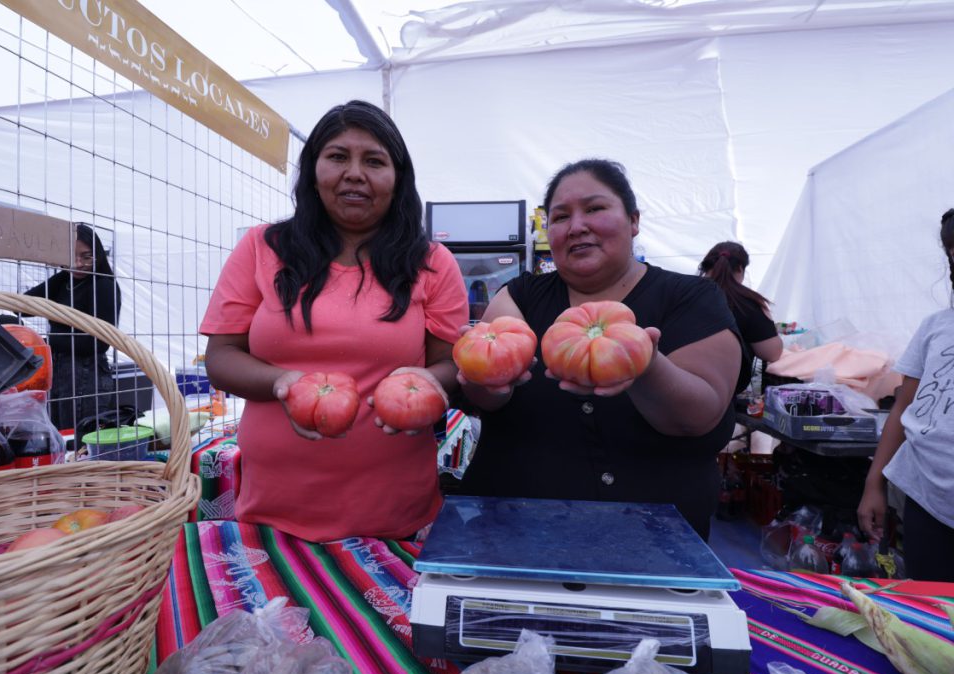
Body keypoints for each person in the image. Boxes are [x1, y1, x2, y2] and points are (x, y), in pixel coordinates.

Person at [200, 100, 468, 543]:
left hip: (394, 512)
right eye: (338, 157)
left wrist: (423, 385)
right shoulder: (260, 247)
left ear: (398, 178)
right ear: (313, 170)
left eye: (375, 161)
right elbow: (221, 357)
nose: (355, 173)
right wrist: (282, 383)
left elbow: (450, 365)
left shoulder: (432, 262)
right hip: (273, 508)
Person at [458, 159, 742, 540]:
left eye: (595, 209)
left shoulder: (692, 298)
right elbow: (489, 394)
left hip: (657, 540)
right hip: (518, 531)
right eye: (560, 217)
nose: (577, 227)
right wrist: (484, 381)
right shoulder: (519, 296)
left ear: (634, 220)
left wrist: (644, 365)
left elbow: (701, 415)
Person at [857, 209, 954, 581]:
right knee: (932, 610)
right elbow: (904, 406)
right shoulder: (936, 327)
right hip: (927, 499)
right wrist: (873, 483)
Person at [25, 223, 121, 432]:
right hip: (58, 368)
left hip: (87, 371)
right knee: (60, 433)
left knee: (80, 437)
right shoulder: (64, 281)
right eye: (70, 256)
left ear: (98, 255)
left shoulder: (103, 285)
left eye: (86, 257)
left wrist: (46, 341)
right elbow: (24, 306)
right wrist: (64, 270)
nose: (78, 264)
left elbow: (100, 342)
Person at [698, 241, 782, 394]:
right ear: (740, 268)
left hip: (674, 384)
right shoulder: (747, 302)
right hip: (722, 392)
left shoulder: (683, 292)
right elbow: (772, 353)